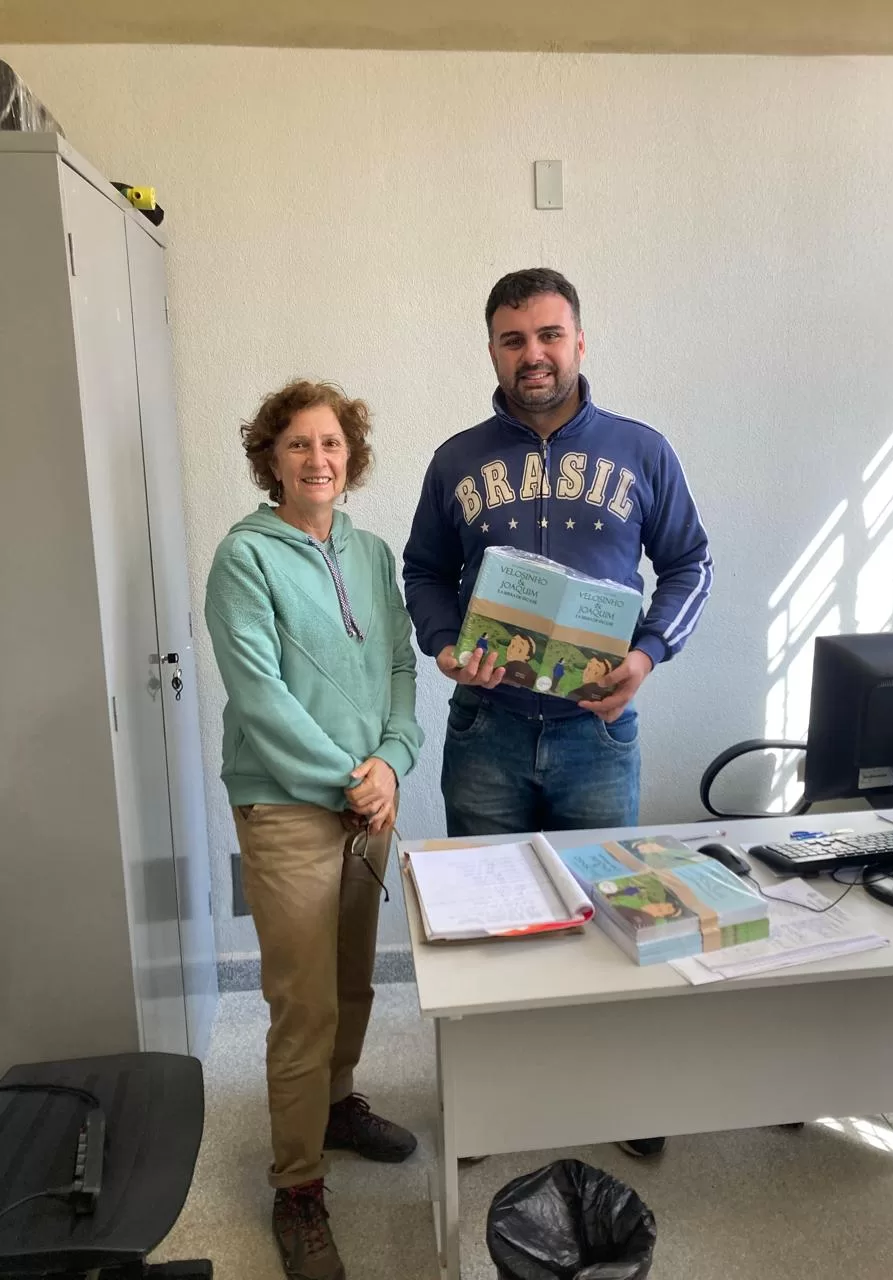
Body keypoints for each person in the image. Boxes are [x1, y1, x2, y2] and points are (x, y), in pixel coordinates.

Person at [403, 268, 712, 1158]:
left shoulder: (641, 451)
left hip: (597, 732)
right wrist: (441, 641)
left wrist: (647, 655)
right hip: (487, 729)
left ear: (579, 341)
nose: (532, 355)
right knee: (484, 928)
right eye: (512, 339)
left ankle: (616, 1096)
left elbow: (692, 563)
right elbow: (424, 570)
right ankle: (487, 1098)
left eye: (548, 335)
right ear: (493, 349)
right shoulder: (456, 460)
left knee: (613, 918)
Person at [206, 380, 424, 1280]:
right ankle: (296, 1190)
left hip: (370, 800)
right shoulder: (243, 560)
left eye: (331, 443)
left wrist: (394, 762)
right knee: (305, 1007)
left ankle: (336, 1107)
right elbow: (259, 698)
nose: (318, 459)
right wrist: (349, 779)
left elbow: (402, 666)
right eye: (298, 444)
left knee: (353, 982)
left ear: (351, 455)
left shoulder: (372, 554)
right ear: (271, 460)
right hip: (292, 807)